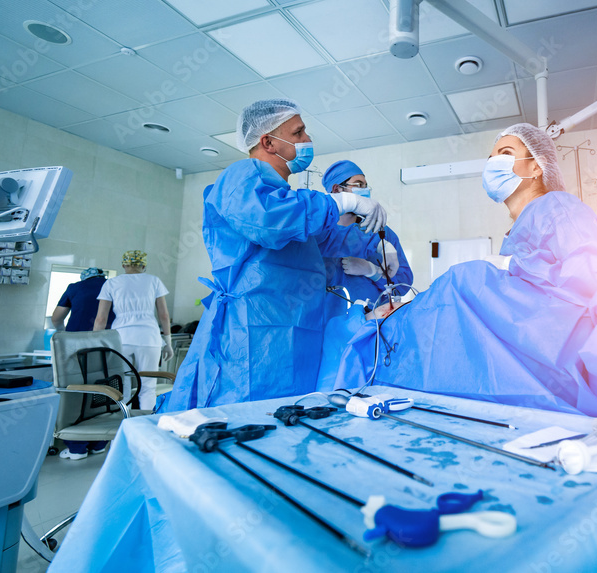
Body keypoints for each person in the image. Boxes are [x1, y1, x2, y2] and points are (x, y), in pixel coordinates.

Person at [330, 123, 597, 432]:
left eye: (506, 151)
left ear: (535, 166)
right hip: (528, 346)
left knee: (464, 281)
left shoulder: (557, 207)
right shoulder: (525, 224)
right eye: (492, 154)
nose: (494, 162)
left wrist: (497, 277)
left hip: (558, 352)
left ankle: (377, 350)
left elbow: (591, 287)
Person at [164, 99, 391, 411]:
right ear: (268, 141)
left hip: (296, 332)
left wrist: (366, 250)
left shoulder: (290, 199)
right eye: (298, 132)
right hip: (252, 334)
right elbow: (266, 220)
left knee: (290, 423)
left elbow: (314, 241)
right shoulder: (242, 175)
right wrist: (338, 204)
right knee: (246, 424)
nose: (307, 140)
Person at [321, 159, 413, 312]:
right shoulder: (320, 234)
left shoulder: (381, 232)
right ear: (337, 189)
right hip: (329, 323)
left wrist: (373, 272)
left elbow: (402, 285)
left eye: (365, 185)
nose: (365, 191)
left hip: (372, 323)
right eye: (358, 185)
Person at [94, 250, 172, 412]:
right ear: (144, 265)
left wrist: (96, 344)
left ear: (123, 264)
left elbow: (101, 319)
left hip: (121, 340)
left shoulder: (111, 283)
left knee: (123, 384)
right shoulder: (154, 281)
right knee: (148, 386)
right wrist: (168, 343)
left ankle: (125, 422)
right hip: (149, 339)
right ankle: (146, 425)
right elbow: (164, 315)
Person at [52, 267, 115, 461]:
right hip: (108, 344)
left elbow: (56, 318)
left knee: (76, 392)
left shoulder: (75, 287)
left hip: (75, 345)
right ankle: (99, 443)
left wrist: (62, 333)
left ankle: (77, 447)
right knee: (104, 390)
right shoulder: (113, 286)